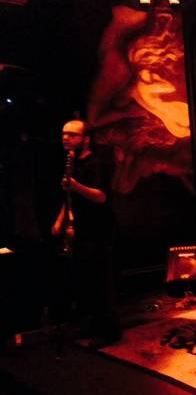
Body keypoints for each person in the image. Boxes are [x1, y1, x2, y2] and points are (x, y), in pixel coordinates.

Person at [51, 119, 120, 349]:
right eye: (64, 133)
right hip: (82, 229)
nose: (66, 138)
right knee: (85, 280)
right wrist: (60, 220)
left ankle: (109, 331)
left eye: (72, 134)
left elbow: (101, 197)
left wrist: (75, 185)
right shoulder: (73, 163)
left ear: (86, 139)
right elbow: (70, 195)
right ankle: (92, 325)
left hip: (99, 229)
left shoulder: (95, 163)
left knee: (101, 281)